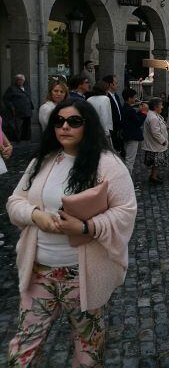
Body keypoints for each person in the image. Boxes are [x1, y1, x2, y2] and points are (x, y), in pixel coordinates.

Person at [6, 99, 136, 366]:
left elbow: (125, 211)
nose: (64, 127)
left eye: (74, 121)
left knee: (88, 352)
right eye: (59, 121)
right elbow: (14, 201)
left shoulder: (108, 164)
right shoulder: (44, 161)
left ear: (88, 126)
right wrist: (35, 216)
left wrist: (86, 227)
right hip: (39, 272)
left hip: (83, 276)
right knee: (22, 349)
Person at [121, 88, 147, 177]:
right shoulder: (129, 109)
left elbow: (135, 119)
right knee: (130, 159)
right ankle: (127, 179)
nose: (135, 99)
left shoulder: (126, 107)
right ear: (129, 98)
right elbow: (138, 122)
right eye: (134, 97)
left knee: (128, 158)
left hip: (128, 135)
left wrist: (140, 112)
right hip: (132, 136)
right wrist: (144, 113)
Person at [142, 97, 168, 184]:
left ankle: (154, 175)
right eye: (161, 105)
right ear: (156, 107)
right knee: (155, 162)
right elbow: (156, 133)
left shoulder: (154, 114)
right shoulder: (153, 117)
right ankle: (153, 177)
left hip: (155, 144)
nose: (162, 107)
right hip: (155, 144)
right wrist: (163, 141)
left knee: (156, 163)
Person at [3, 74, 34, 142]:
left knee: (27, 126)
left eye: (21, 80)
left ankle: (26, 140)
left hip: (27, 111)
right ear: (16, 81)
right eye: (18, 80)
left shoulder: (26, 88)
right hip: (18, 111)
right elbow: (6, 99)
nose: (20, 81)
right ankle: (16, 140)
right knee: (17, 126)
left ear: (24, 80)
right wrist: (12, 107)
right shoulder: (12, 88)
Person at [102, 75, 124, 155]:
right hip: (112, 129)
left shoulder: (116, 96)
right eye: (116, 83)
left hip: (118, 129)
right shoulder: (105, 97)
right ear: (111, 84)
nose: (118, 85)